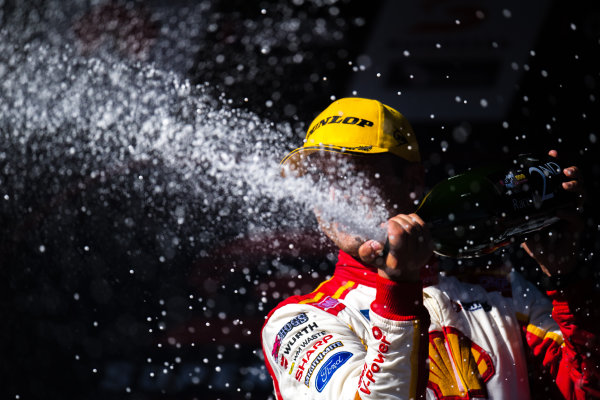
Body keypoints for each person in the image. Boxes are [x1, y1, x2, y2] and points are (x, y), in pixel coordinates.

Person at [261, 97, 599, 399]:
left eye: (351, 174)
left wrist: (566, 280)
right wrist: (398, 291)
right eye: (320, 180)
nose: (333, 197)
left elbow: (587, 389)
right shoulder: (298, 321)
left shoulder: (502, 292)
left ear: (412, 181)